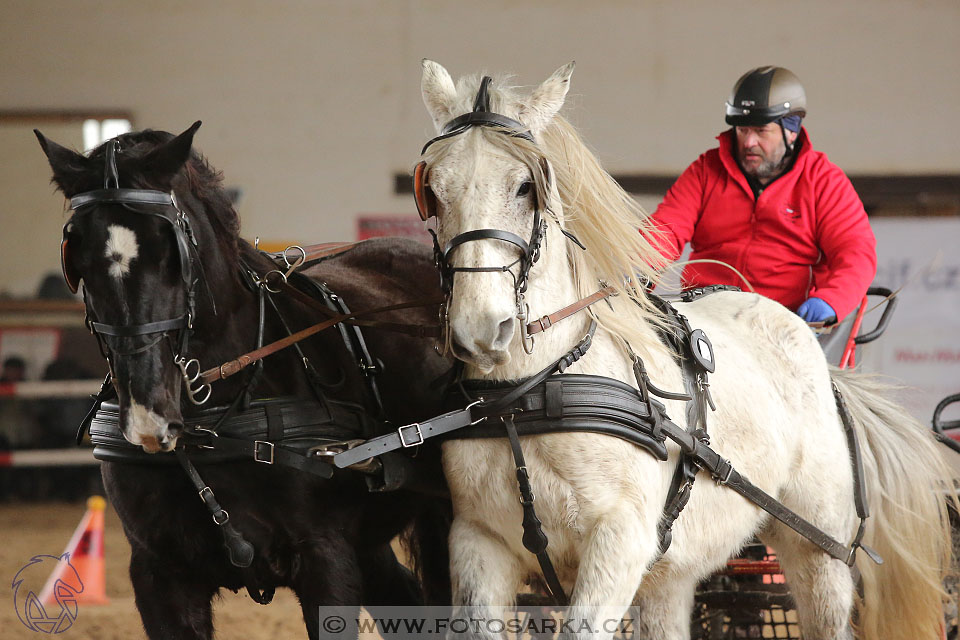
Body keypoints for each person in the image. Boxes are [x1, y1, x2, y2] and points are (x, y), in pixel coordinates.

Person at [650, 66, 877, 325]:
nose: (748, 142)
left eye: (761, 130)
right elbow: (664, 230)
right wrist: (635, 271)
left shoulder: (825, 182)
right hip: (704, 315)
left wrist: (831, 300)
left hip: (785, 322)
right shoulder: (706, 170)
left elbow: (856, 253)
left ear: (791, 130)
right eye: (742, 130)